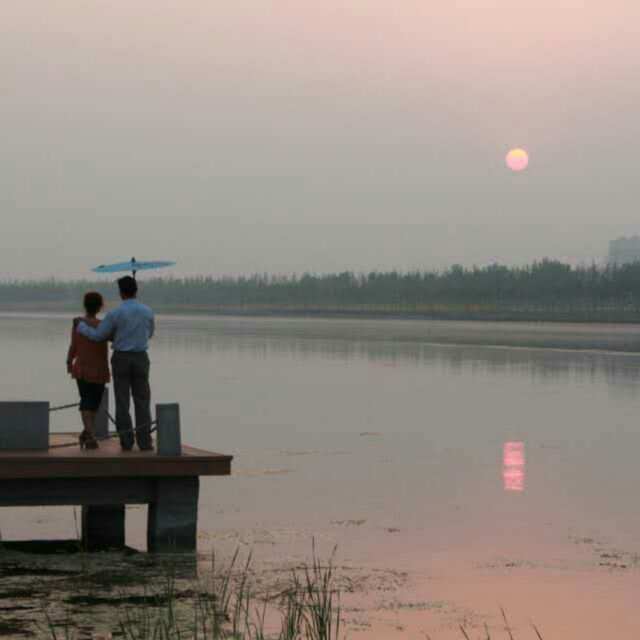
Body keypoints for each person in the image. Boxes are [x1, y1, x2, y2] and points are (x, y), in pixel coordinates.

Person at [77, 276, 155, 451]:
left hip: (121, 358)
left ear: (121, 293)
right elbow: (149, 334)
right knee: (142, 400)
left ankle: (126, 441)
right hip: (141, 357)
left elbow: (98, 336)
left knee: (122, 401)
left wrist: (81, 327)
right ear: (136, 290)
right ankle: (145, 441)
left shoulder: (115, 313)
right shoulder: (147, 311)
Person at [67, 292, 110, 450]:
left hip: (86, 367)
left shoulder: (79, 324)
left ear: (85, 305)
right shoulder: (103, 325)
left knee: (89, 402)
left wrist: (69, 361)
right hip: (94, 368)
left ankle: (86, 433)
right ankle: (90, 437)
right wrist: (69, 360)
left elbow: (73, 346)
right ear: (100, 307)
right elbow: (74, 345)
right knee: (91, 402)